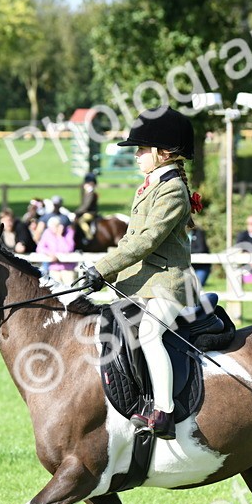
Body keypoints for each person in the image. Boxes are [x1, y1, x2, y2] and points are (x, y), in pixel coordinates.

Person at [74, 106, 202, 440]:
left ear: (164, 152)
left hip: (169, 283)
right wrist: (103, 274)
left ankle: (165, 413)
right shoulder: (148, 186)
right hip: (144, 281)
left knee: (149, 333)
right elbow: (130, 240)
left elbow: (147, 241)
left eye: (142, 149)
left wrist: (103, 268)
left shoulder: (173, 190)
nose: (137, 155)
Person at [36, 216, 77, 285]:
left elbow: (69, 249)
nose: (53, 229)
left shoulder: (69, 231)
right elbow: (39, 248)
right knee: (55, 289)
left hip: (67, 267)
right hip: (54, 267)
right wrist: (50, 253)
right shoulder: (47, 232)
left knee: (70, 287)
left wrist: (59, 236)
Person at [77, 172, 101, 240]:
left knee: (81, 221)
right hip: (87, 212)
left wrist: (77, 212)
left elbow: (86, 205)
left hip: (91, 213)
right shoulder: (87, 192)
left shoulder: (91, 194)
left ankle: (89, 236)